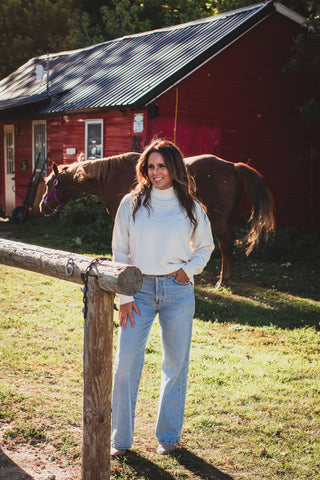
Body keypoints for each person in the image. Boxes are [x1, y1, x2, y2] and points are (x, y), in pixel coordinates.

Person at [111, 138, 214, 456]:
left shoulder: (191, 207)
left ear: (174, 168)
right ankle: (120, 441)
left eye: (162, 166)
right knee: (126, 362)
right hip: (137, 290)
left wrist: (189, 270)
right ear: (145, 169)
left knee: (175, 364)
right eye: (150, 166)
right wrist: (124, 295)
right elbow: (119, 249)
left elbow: (205, 247)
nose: (156, 172)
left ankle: (167, 437)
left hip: (177, 292)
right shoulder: (131, 203)